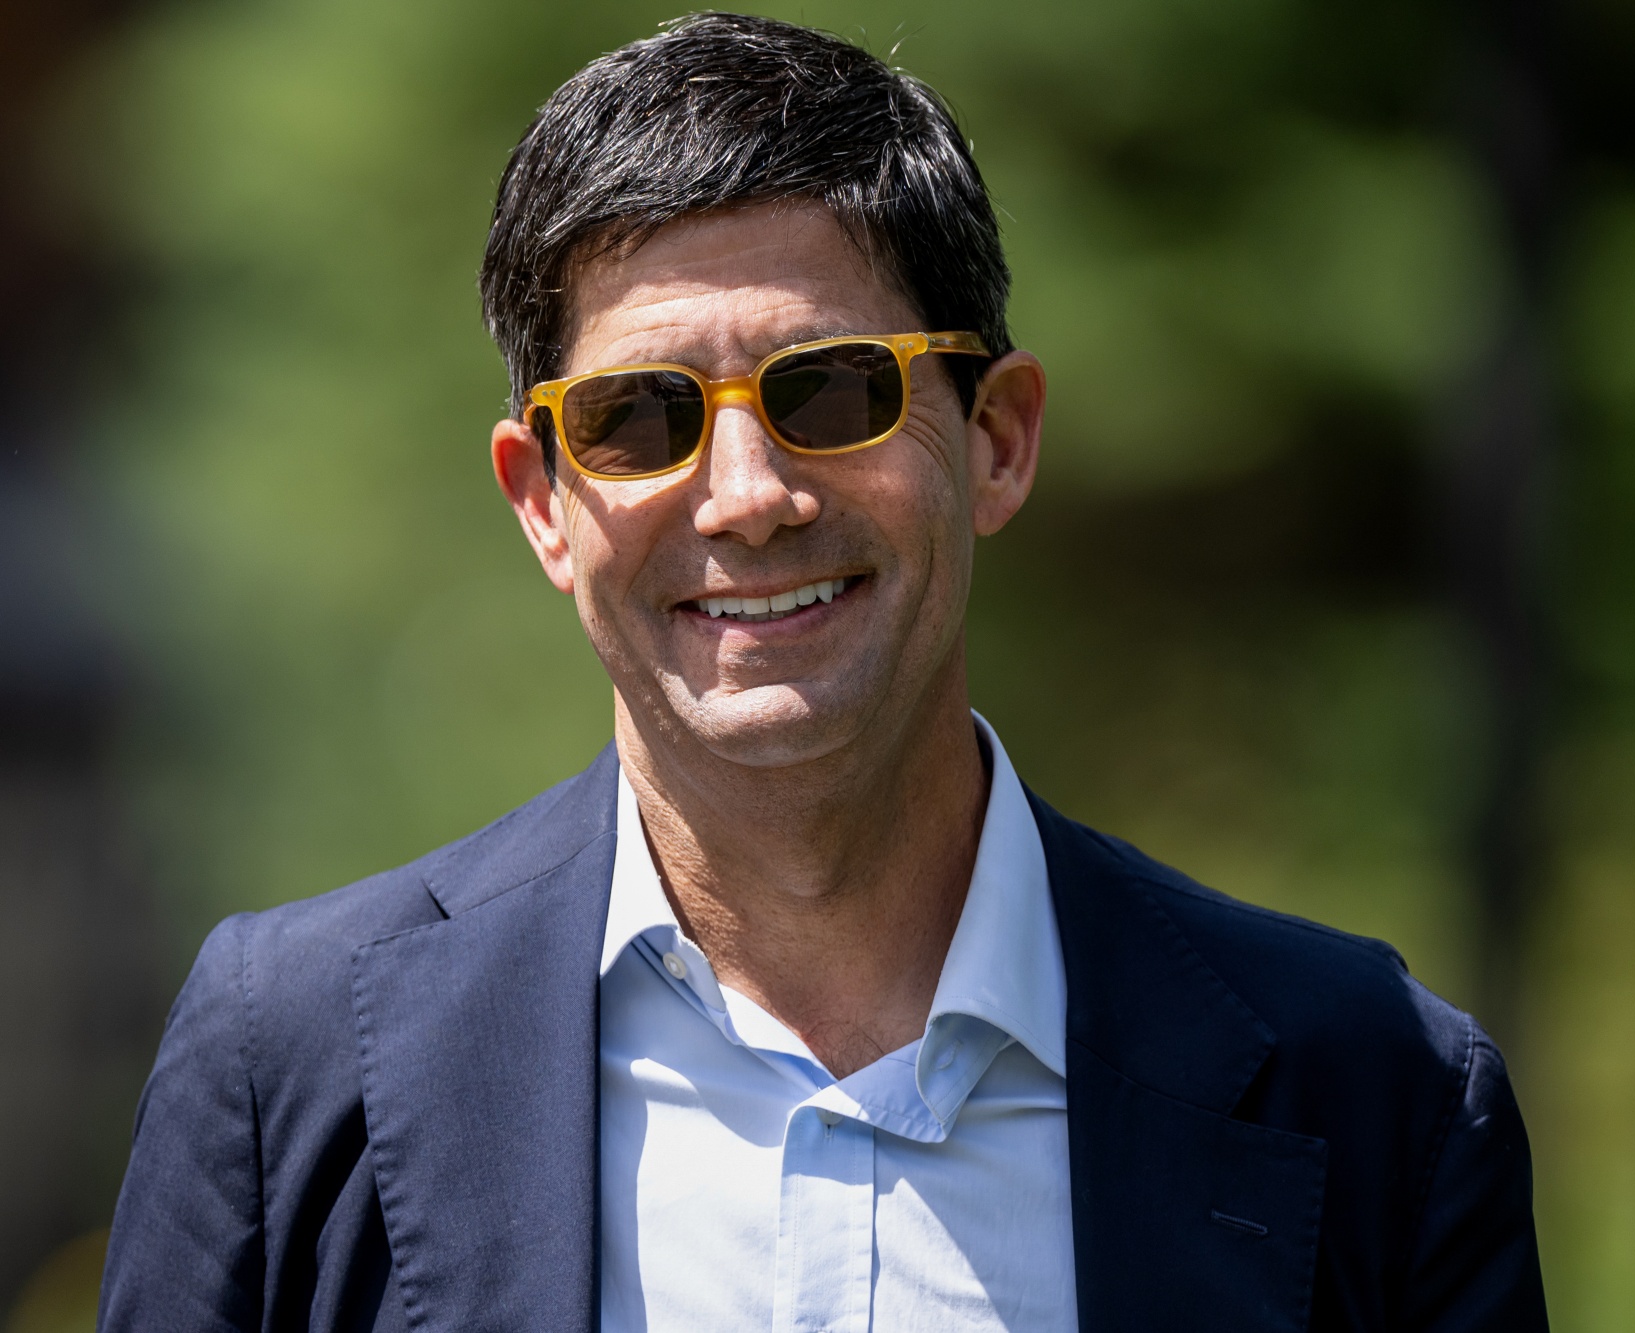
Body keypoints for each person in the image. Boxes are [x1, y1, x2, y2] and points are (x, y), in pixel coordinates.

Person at [99, 13, 1547, 1332]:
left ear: (997, 438)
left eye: (833, 389)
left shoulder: (1380, 1104)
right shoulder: (286, 1064)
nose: (744, 492)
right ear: (542, 499)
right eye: (637, 417)